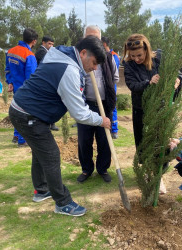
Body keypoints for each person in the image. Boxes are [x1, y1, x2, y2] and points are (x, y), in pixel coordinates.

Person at [8, 35, 111, 217]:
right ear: (83, 53)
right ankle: (63, 203)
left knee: (41, 153)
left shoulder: (59, 56)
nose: (94, 69)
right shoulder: (69, 70)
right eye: (94, 63)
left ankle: (41, 190)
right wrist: (101, 120)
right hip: (28, 114)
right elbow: (79, 113)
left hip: (25, 110)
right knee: (51, 155)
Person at [76, 25, 118, 183]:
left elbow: (114, 78)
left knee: (104, 139)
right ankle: (86, 169)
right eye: (89, 37)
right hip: (85, 105)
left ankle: (103, 169)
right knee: (84, 140)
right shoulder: (79, 57)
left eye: (96, 38)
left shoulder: (108, 57)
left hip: (104, 105)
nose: (93, 40)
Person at [123, 33, 160, 150]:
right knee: (142, 142)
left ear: (146, 50)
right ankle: (144, 166)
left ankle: (161, 166)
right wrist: (148, 83)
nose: (136, 59)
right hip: (140, 108)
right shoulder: (129, 65)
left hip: (159, 107)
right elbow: (132, 85)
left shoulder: (158, 60)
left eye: (139, 55)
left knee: (160, 141)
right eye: (132, 56)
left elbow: (176, 74)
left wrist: (177, 79)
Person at [6, 28, 38, 147]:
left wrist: (10, 82)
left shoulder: (11, 51)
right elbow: (31, 76)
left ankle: (16, 135)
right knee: (24, 115)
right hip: (26, 91)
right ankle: (21, 140)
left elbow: (7, 69)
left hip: (16, 87)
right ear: (34, 41)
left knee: (17, 111)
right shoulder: (29, 55)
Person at [35, 35, 59, 131]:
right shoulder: (41, 52)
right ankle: (48, 123)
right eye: (49, 43)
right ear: (43, 43)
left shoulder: (47, 52)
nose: (51, 46)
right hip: (44, 81)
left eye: (52, 44)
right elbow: (48, 63)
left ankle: (50, 123)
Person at [101, 36, 120, 139]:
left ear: (104, 44)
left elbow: (113, 74)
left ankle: (114, 130)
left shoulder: (113, 56)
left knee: (112, 106)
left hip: (111, 86)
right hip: (106, 86)